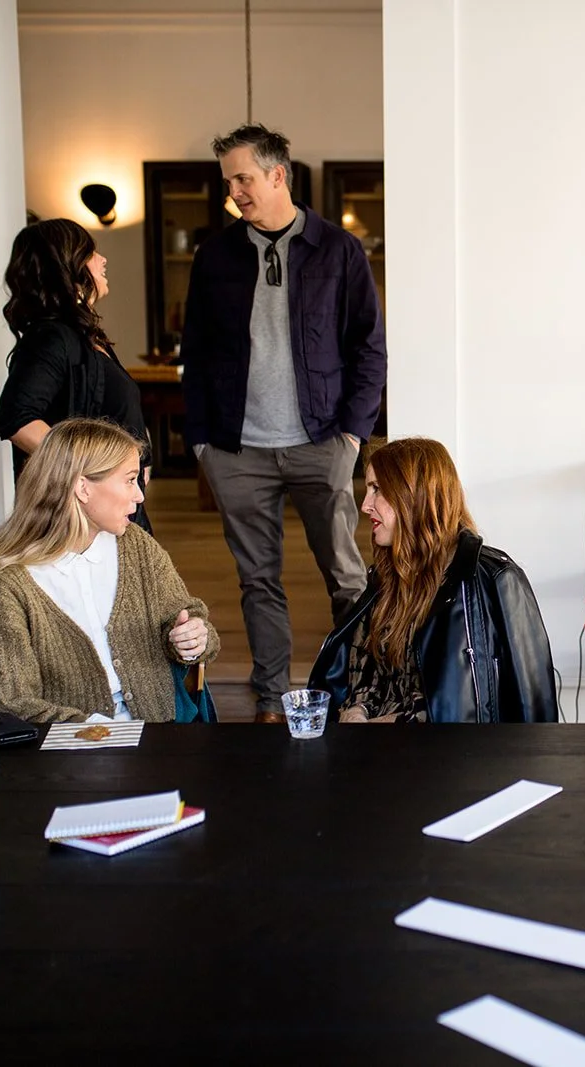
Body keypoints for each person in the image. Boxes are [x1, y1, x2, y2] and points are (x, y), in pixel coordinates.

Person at [181, 123, 387, 724]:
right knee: (257, 582)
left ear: (278, 175)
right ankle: (271, 699)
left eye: (243, 178)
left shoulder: (338, 250)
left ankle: (359, 691)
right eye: (229, 181)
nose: (235, 191)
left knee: (347, 577)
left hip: (321, 442)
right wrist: (200, 440)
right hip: (236, 449)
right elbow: (193, 349)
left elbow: (368, 348)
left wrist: (351, 436)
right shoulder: (215, 255)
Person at [0, 419, 218, 723]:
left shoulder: (135, 545)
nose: (139, 496)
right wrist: (100, 733)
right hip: (66, 759)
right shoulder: (4, 587)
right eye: (129, 479)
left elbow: (186, 619)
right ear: (82, 487)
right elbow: (12, 706)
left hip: (160, 740)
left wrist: (192, 639)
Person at [306, 437, 557, 723]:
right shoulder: (386, 579)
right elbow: (365, 676)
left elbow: (534, 707)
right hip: (377, 758)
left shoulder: (496, 580)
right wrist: (357, 712)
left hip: (460, 761)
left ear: (416, 497)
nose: (365, 505)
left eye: (377, 489)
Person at [0, 218, 151, 533]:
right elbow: (16, 417)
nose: (103, 260)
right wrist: (91, 471)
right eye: (91, 252)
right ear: (69, 265)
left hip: (117, 510)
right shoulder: (52, 337)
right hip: (82, 520)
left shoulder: (84, 336)